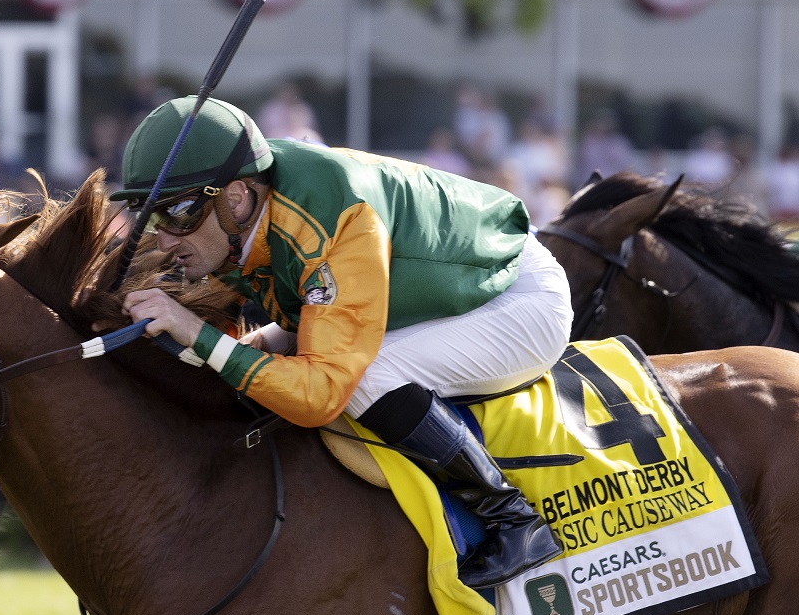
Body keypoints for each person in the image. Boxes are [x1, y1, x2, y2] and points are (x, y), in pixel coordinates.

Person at [111, 96, 573, 589]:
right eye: (152, 216)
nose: (163, 240)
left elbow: (320, 394)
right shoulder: (246, 213)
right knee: (261, 352)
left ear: (237, 197)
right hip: (417, 295)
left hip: (515, 295)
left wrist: (197, 334)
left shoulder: (332, 219)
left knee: (364, 376)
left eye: (178, 213)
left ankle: (512, 516)